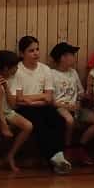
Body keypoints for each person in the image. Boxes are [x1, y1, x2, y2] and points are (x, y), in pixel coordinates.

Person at [9, 36, 72, 174]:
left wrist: (31, 99)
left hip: (41, 106)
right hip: (24, 108)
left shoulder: (45, 69)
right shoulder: (17, 70)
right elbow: (17, 100)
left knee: (58, 120)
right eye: (31, 51)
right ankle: (55, 159)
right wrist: (40, 96)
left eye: (37, 49)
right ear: (22, 53)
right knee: (39, 123)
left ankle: (59, 156)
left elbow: (49, 97)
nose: (36, 53)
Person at [0, 49, 36, 173]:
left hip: (7, 111)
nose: (17, 69)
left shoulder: (14, 78)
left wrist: (6, 87)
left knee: (28, 126)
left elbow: (13, 105)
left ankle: (10, 155)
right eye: (15, 67)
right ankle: (2, 123)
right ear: (5, 68)